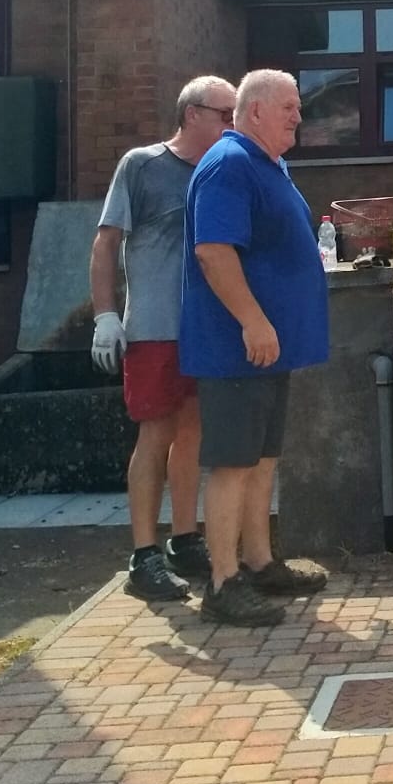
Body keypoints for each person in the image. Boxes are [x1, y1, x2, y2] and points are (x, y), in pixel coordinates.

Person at [179, 69, 331, 627]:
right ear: (256, 110)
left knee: (263, 459)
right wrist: (252, 320)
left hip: (268, 351)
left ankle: (260, 563)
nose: (298, 115)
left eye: (298, 106)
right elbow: (213, 251)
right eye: (289, 106)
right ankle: (222, 583)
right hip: (237, 349)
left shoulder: (267, 164)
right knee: (233, 463)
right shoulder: (229, 163)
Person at [90, 74, 237, 602]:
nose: (232, 125)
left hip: (204, 327)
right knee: (156, 433)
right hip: (155, 327)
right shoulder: (141, 165)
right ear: (192, 113)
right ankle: (143, 555)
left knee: (192, 432)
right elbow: (106, 243)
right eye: (224, 115)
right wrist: (106, 315)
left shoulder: (222, 170)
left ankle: (184, 538)